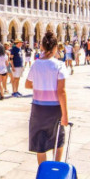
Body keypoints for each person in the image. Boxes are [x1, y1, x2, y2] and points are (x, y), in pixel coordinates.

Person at [25, 31, 69, 165]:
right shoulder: (59, 65)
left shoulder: (36, 64)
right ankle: (55, 168)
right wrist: (65, 115)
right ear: (55, 47)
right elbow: (61, 91)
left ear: (42, 47)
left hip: (38, 108)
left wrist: (40, 83)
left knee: (40, 141)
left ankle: (42, 171)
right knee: (58, 140)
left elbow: (27, 84)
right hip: (54, 109)